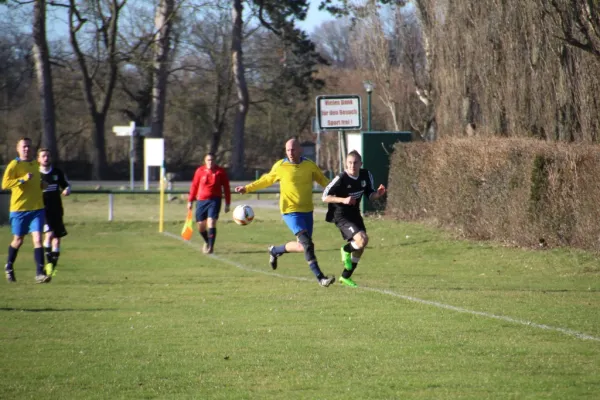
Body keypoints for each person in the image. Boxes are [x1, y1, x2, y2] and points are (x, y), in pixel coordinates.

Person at [235, 138, 335, 287]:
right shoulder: (280, 166)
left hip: (307, 211)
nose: (290, 153)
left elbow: (324, 181)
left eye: (293, 149)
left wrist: (340, 190)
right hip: (290, 211)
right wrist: (247, 188)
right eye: (288, 150)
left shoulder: (309, 165)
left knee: (302, 246)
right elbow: (266, 180)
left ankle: (275, 250)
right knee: (307, 244)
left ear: (299, 150)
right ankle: (321, 278)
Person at [322, 150, 386, 287]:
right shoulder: (341, 178)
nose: (352, 165)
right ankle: (345, 250)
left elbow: (370, 195)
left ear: (360, 164)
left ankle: (345, 277)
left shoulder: (366, 175)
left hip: (355, 214)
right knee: (362, 239)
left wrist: (378, 194)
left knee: (361, 246)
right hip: (341, 215)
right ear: (346, 164)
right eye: (350, 163)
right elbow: (324, 197)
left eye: (355, 162)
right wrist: (343, 200)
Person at [2, 137, 51, 283]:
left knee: (38, 239)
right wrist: (22, 179)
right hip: (19, 209)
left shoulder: (35, 164)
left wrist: (42, 184)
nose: (27, 149)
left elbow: (36, 182)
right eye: (24, 147)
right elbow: (5, 184)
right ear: (18, 149)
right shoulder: (14, 165)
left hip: (37, 208)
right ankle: (9, 266)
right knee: (18, 240)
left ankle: (39, 273)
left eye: (29, 146)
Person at [188, 152, 231, 254]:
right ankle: (207, 241)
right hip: (201, 200)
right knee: (201, 226)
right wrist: (190, 200)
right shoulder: (200, 171)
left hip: (214, 200)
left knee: (211, 222)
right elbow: (194, 186)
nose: (210, 162)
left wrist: (227, 203)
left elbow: (226, 188)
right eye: (208, 160)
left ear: (215, 161)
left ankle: (211, 247)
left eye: (212, 160)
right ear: (205, 161)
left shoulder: (220, 172)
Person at [37, 148, 71, 277]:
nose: (46, 158)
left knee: (57, 240)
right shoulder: (36, 174)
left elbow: (66, 185)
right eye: (43, 156)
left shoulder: (57, 173)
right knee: (49, 235)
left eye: (48, 156)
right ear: (39, 159)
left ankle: (51, 268)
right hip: (43, 210)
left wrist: (67, 190)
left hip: (57, 210)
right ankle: (49, 265)